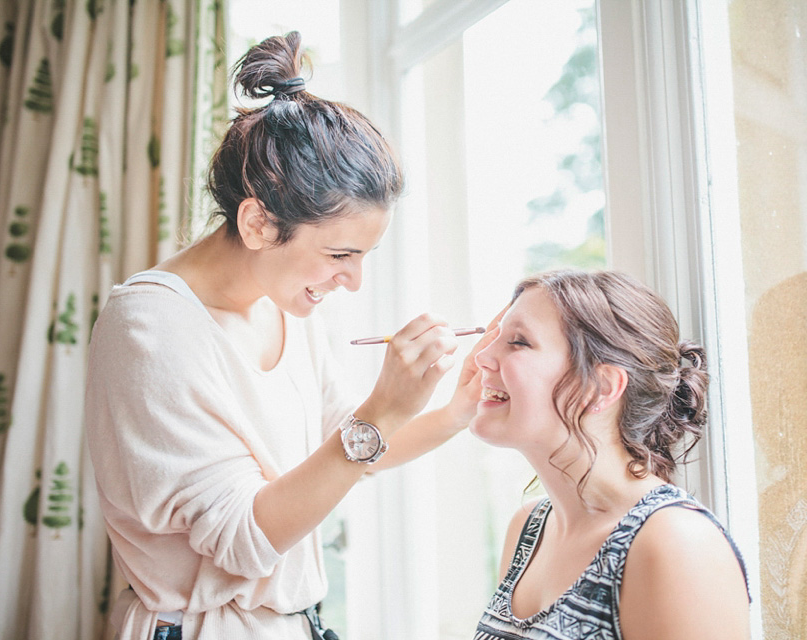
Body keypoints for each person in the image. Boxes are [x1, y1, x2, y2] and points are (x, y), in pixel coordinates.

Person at [85, 32, 488, 640]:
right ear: (257, 223)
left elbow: (345, 452)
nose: (351, 281)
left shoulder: (285, 306)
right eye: (339, 255)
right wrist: (381, 411)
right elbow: (245, 542)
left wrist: (456, 410)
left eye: (363, 257)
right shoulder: (150, 328)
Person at [471, 269, 751, 640]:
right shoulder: (529, 528)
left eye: (518, 342)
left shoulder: (674, 542)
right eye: (495, 340)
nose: (481, 358)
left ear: (600, 387)